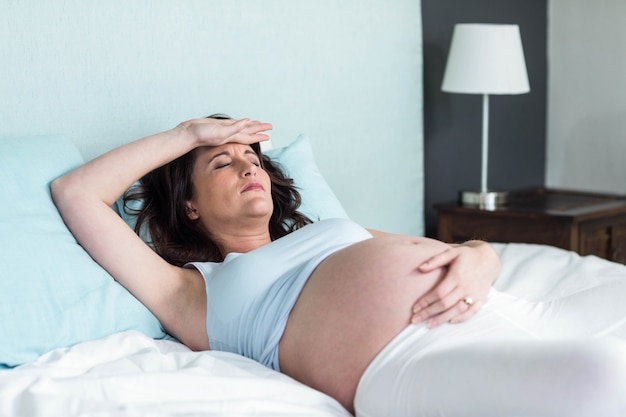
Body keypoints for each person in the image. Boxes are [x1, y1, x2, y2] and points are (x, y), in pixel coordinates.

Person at [52, 116, 626, 416]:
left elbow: (463, 250)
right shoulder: (192, 293)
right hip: (410, 360)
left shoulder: (327, 232)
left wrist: (480, 260)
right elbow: (76, 192)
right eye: (223, 163)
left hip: (493, 306)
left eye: (252, 157)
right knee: (601, 375)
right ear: (190, 206)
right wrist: (190, 135)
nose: (249, 166)